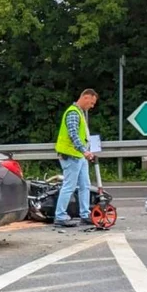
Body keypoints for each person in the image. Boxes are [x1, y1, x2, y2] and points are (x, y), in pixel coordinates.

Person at [54, 88, 98, 228]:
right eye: (91, 103)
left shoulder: (79, 112)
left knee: (85, 185)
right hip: (71, 155)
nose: (91, 106)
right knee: (69, 186)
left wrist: (85, 152)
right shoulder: (73, 112)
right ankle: (60, 216)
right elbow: (73, 135)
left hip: (79, 155)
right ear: (85, 97)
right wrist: (84, 151)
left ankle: (84, 215)